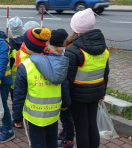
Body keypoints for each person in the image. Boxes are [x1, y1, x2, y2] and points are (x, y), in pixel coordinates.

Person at [12, 27, 70, 148]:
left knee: (37, 144)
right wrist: (65, 104)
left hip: (34, 116)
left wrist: (17, 116)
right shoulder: (55, 63)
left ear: (27, 46)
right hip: (53, 113)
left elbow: (19, 94)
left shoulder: (25, 66)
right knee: (52, 142)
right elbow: (63, 84)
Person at [64, 8, 109, 148]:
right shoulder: (103, 47)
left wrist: (65, 101)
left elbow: (67, 80)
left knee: (81, 128)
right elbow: (105, 72)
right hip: (95, 93)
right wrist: (102, 92)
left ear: (76, 28)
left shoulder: (73, 50)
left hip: (78, 96)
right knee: (92, 125)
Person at [50, 29, 75, 148]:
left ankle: (69, 139)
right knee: (64, 117)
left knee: (66, 117)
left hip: (68, 93)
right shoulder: (67, 50)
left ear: (62, 44)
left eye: (56, 47)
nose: (55, 50)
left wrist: (65, 101)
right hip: (68, 92)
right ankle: (65, 132)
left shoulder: (67, 54)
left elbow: (65, 80)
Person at [7, 16, 24, 101]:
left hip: (13, 80)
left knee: (15, 102)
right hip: (25, 79)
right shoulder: (26, 42)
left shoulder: (8, 44)